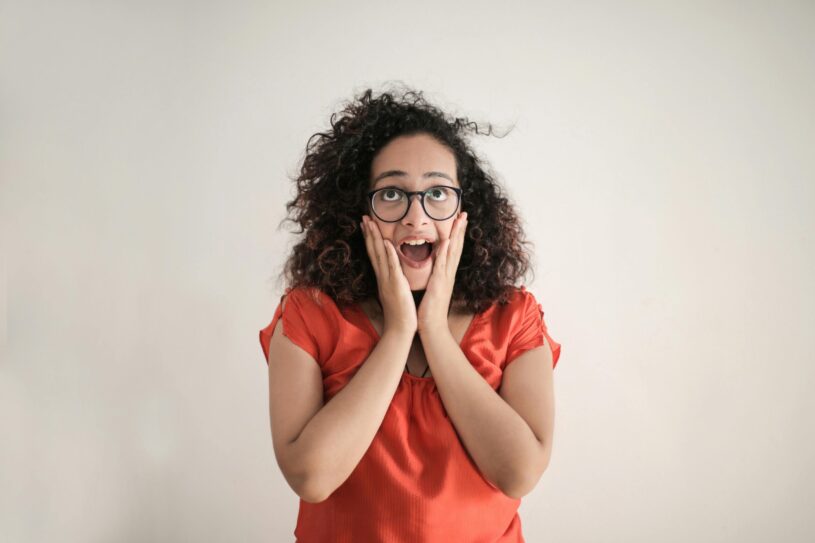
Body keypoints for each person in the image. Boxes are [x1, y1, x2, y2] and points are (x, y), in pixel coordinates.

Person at [258, 85, 562, 542]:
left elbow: (518, 473)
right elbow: (311, 478)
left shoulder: (514, 317)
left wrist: (434, 332)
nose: (416, 219)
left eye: (437, 193)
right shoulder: (308, 315)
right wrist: (400, 331)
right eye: (392, 194)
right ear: (358, 211)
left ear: (466, 209)